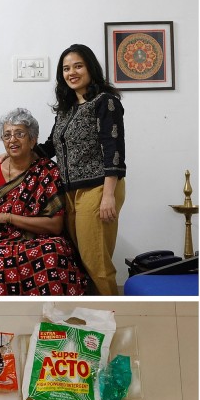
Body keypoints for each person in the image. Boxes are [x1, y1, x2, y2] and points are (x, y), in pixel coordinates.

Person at [39, 44, 127, 295]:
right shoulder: (65, 110)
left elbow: (114, 148)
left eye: (78, 66)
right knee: (78, 259)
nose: (72, 72)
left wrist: (108, 194)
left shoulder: (105, 102)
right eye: (66, 68)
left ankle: (113, 313)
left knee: (96, 260)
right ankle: (90, 316)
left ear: (90, 68)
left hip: (99, 188)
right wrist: (14, 152)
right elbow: (49, 147)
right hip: (70, 193)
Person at [0, 108, 87, 296]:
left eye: (19, 134)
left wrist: (7, 217)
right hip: (3, 240)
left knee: (52, 251)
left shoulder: (49, 171)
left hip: (42, 238)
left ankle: (54, 318)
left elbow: (55, 226)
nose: (12, 139)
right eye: (7, 135)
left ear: (33, 139)